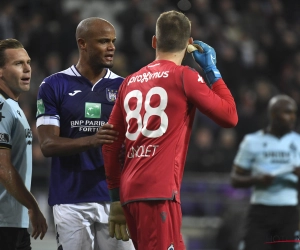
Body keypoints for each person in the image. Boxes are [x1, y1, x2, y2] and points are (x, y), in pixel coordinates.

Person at [102, 10, 238, 250]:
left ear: (154, 41)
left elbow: (110, 144)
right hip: (159, 193)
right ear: (189, 45)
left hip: (130, 193)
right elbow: (230, 117)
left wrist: (115, 200)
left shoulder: (129, 81)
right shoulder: (185, 76)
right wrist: (211, 71)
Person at [35, 18, 134, 250]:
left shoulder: (125, 87)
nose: (111, 47)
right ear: (83, 44)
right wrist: (94, 140)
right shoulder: (53, 85)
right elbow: (48, 145)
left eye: (113, 41)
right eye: (103, 41)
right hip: (70, 198)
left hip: (115, 198)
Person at [231, 94, 300, 250]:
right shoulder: (252, 141)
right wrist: (257, 179)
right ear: (274, 115)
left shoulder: (298, 142)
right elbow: (235, 179)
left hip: (288, 212)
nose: (292, 117)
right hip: (260, 211)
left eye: (294, 113)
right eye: (287, 112)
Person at [0, 38, 48, 250]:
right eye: (18, 63)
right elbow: (3, 168)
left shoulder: (13, 107)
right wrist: (33, 206)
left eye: (28, 62)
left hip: (13, 222)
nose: (28, 68)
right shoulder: (2, 107)